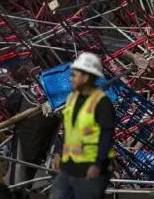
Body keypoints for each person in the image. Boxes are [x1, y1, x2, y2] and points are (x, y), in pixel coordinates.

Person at [49, 53, 116, 199]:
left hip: (90, 169)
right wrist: (59, 153)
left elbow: (107, 136)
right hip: (69, 167)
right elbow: (69, 131)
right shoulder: (72, 99)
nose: (70, 78)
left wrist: (97, 165)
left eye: (74, 75)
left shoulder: (102, 103)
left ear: (86, 78)